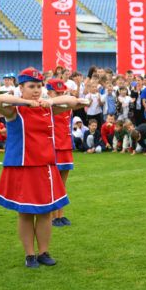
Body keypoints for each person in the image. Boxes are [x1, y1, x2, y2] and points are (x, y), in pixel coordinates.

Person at [0, 68, 77, 267]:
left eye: (39, 86)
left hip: (45, 166)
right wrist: (28, 102)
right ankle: (30, 255)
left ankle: (44, 252)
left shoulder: (47, 107)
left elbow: (73, 101)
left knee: (45, 212)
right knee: (25, 212)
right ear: (21, 88)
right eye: (31, 87)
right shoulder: (14, 109)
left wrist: (50, 101)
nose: (37, 90)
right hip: (22, 166)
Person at [46, 79, 86, 227]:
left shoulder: (67, 105)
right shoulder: (47, 105)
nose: (61, 95)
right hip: (53, 146)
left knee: (62, 184)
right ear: (49, 93)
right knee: (52, 184)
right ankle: (51, 216)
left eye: (62, 92)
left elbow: (82, 101)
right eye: (57, 92)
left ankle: (60, 215)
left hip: (66, 145)